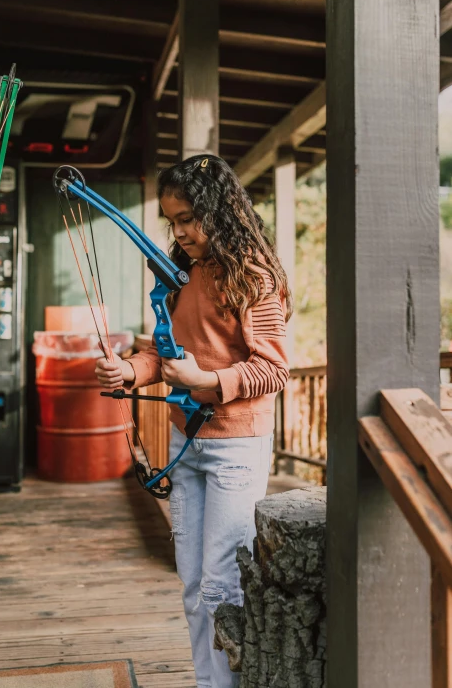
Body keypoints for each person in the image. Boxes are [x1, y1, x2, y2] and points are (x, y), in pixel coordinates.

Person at [95, 154, 291, 688]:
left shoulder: (252, 274)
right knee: (192, 585)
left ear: (219, 210)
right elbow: (165, 355)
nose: (179, 232)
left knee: (221, 586)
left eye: (188, 219)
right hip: (188, 443)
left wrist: (207, 383)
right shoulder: (179, 272)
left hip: (234, 449)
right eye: (172, 220)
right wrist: (129, 371)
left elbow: (273, 369)